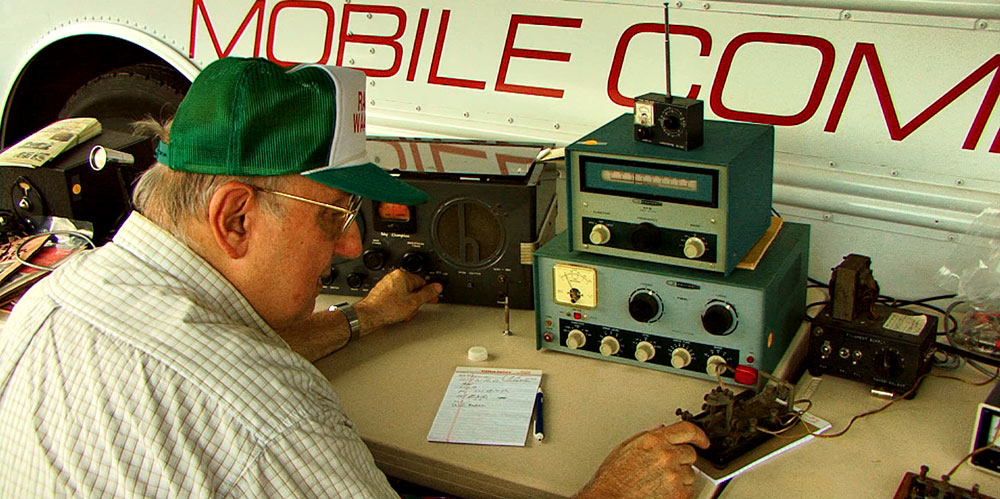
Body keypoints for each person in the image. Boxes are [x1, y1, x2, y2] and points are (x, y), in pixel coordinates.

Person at [0, 57, 708, 498]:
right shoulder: (270, 414)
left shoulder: (48, 304)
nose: (347, 245)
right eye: (331, 215)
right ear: (236, 218)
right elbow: (239, 398)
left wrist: (363, 316)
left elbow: (203, 371)